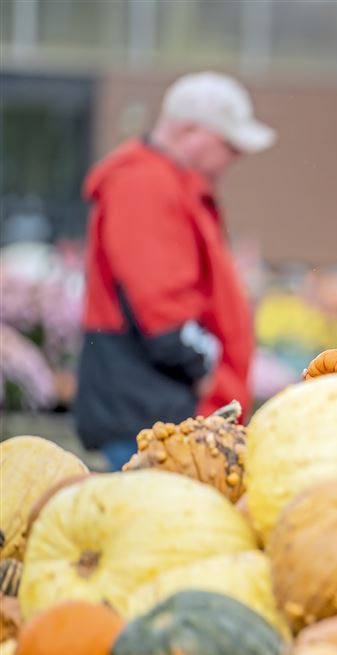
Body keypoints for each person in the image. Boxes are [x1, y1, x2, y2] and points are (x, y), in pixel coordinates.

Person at [74, 71, 275, 470]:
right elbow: (163, 315)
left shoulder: (165, 182)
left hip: (160, 409)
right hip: (152, 414)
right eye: (228, 145)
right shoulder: (145, 184)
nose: (235, 157)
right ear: (189, 132)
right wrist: (207, 369)